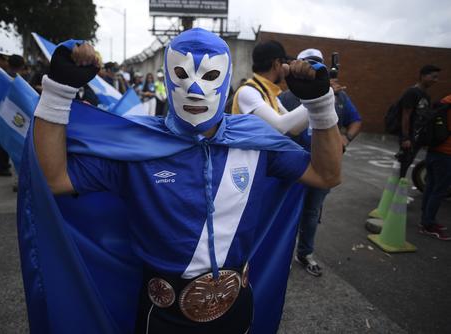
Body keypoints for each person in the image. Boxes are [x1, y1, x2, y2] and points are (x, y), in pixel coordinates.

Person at [29, 28, 342, 333]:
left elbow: (327, 174)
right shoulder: (138, 146)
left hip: (236, 306)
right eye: (182, 74)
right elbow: (54, 179)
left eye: (208, 76)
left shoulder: (254, 142)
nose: (194, 90)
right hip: (164, 315)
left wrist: (320, 104)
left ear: (226, 78)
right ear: (168, 76)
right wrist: (58, 89)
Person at [280, 48, 362, 276]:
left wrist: (345, 138)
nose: (310, 68)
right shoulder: (287, 95)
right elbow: (278, 128)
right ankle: (283, 253)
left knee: (312, 212)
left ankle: (305, 252)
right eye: (307, 63)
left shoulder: (338, 96)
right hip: (295, 166)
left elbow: (355, 121)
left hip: (322, 165)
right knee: (288, 212)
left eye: (316, 63)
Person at [231, 40, 309, 136]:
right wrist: (316, 98)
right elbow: (280, 126)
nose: (285, 68)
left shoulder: (269, 94)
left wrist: (311, 96)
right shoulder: (248, 91)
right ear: (276, 64)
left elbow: (293, 129)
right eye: (283, 63)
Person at [0, 53, 25, 176]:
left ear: (8, 63)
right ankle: (1, 167)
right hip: (7, 115)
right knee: (3, 141)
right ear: (21, 66)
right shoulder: (16, 81)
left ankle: (2, 164)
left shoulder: (0, 77)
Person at [396, 65, 440, 177]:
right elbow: (405, 116)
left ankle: (398, 190)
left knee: (407, 164)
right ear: (423, 76)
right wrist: (405, 138)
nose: (436, 80)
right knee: (403, 166)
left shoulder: (425, 95)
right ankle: (395, 191)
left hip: (418, 137)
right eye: (433, 77)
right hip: (409, 138)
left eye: (437, 77)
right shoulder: (412, 93)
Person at [419, 94, 451, 240]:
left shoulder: (444, 102)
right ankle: (428, 224)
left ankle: (425, 219)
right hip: (446, 154)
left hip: (434, 151)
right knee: (439, 190)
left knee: (431, 186)